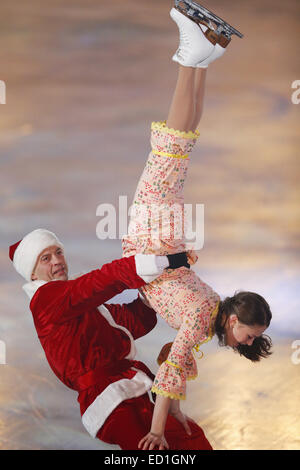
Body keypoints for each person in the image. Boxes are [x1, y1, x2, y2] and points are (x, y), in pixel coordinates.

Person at [122, 7, 273, 450]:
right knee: (171, 145)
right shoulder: (198, 321)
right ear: (233, 319)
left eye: (252, 339)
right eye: (249, 334)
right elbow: (169, 373)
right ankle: (194, 54)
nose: (247, 341)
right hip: (152, 235)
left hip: (162, 238)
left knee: (177, 146)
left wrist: (179, 411)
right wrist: (155, 431)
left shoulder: (208, 315)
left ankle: (202, 55)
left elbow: (172, 363)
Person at [9, 228, 213, 450]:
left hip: (131, 388)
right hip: (110, 405)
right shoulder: (46, 300)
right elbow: (100, 282)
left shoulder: (71, 300)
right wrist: (158, 262)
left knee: (189, 438)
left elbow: (130, 322)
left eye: (59, 252)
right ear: (32, 274)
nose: (57, 261)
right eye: (46, 258)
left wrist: (156, 287)